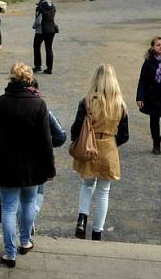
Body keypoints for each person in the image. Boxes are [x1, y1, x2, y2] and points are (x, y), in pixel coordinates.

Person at [0, 63, 55, 268]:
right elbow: (46, 140)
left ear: (10, 79)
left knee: (9, 207)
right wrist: (50, 168)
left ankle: (10, 252)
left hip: (6, 161)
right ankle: (25, 241)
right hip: (33, 163)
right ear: (29, 80)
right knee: (29, 203)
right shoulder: (39, 104)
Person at [71, 64, 129, 241]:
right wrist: (110, 142)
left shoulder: (87, 101)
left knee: (87, 185)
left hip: (89, 146)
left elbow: (75, 129)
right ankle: (97, 231)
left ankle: (82, 218)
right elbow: (125, 135)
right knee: (104, 191)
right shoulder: (120, 104)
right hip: (108, 147)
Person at [33, 0, 58, 75]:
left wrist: (34, 26)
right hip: (51, 29)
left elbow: (38, 20)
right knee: (49, 48)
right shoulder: (52, 5)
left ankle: (38, 66)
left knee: (36, 46)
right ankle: (49, 68)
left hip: (41, 30)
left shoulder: (40, 6)